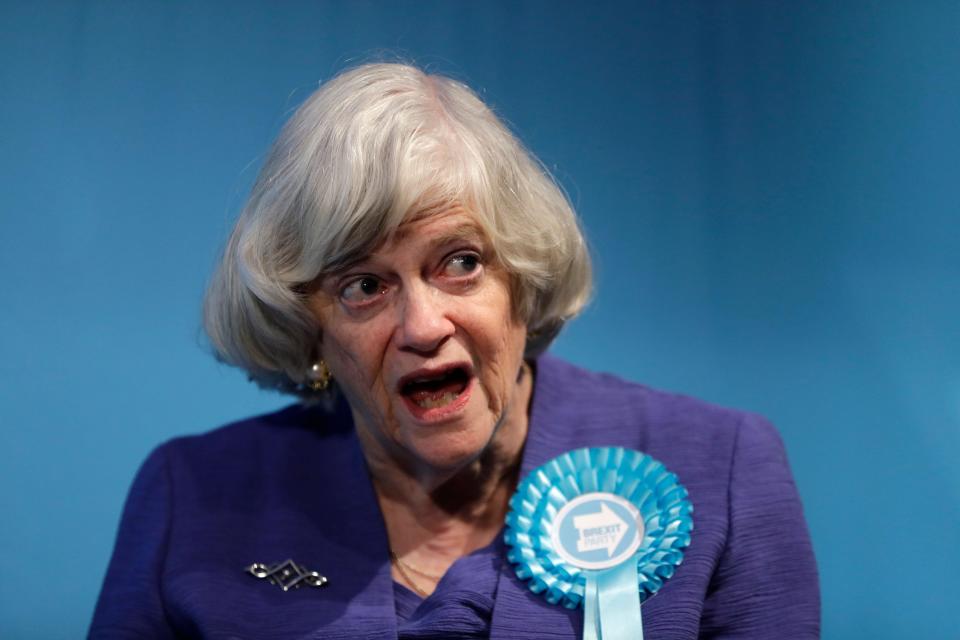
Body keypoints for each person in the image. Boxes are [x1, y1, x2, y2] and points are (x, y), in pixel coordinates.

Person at [90, 63, 819, 639]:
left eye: (460, 262)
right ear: (308, 327)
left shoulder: (719, 470)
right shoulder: (194, 498)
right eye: (365, 285)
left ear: (522, 282)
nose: (421, 324)